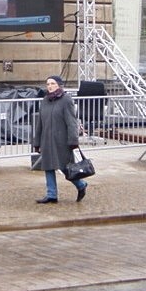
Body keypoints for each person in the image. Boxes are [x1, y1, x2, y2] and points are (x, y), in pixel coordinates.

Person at [32, 75, 88, 204]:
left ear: (59, 85)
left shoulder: (66, 100)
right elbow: (40, 123)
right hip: (47, 140)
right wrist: (37, 142)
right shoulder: (45, 101)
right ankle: (51, 194)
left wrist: (73, 140)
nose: (50, 86)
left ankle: (81, 185)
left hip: (62, 140)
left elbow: (71, 122)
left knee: (64, 167)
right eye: (48, 84)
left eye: (53, 83)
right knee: (48, 167)